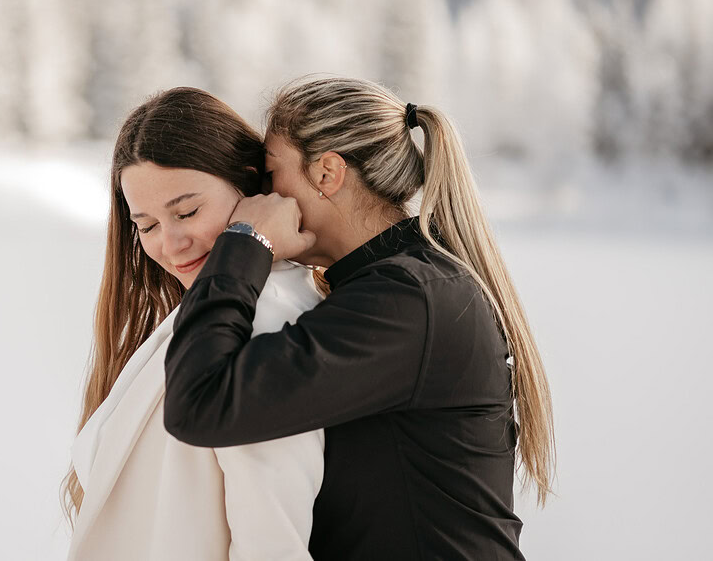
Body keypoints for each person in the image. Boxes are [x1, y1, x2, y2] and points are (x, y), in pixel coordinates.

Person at [164, 76, 555, 560]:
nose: (261, 197)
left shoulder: (408, 301)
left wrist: (246, 242)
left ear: (327, 172)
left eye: (270, 176)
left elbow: (201, 402)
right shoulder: (399, 288)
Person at [63, 87, 325, 561]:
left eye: (187, 212)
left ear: (248, 187)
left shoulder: (264, 321)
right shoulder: (210, 313)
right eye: (146, 225)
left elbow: (272, 543)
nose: (172, 243)